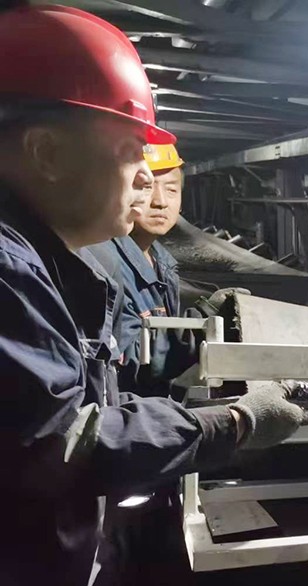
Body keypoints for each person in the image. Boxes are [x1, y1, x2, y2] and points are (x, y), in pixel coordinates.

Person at [0, 6, 308, 586]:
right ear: (46, 151)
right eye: (128, 150)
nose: (147, 178)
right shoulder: (8, 271)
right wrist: (233, 423)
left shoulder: (46, 263)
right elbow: (64, 445)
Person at [84, 142, 243, 397]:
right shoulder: (101, 263)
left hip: (151, 410)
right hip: (124, 413)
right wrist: (201, 325)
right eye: (147, 187)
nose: (160, 202)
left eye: (171, 189)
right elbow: (123, 361)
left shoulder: (162, 264)